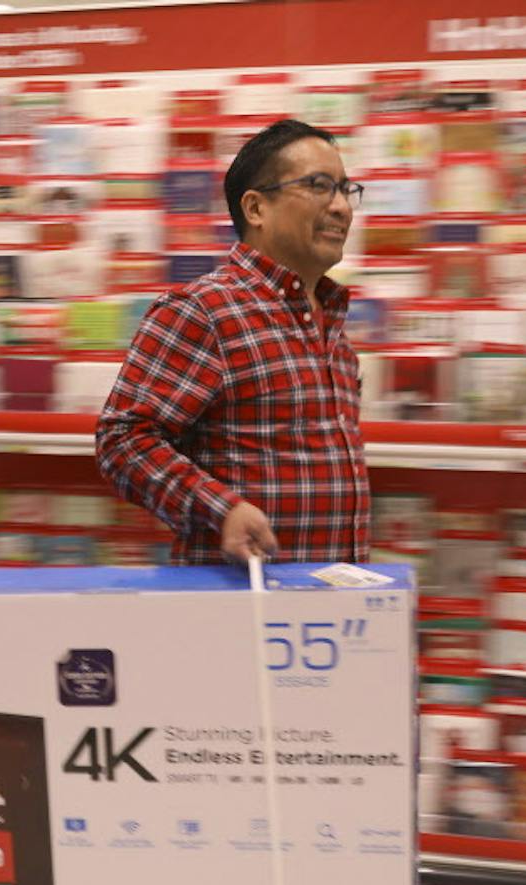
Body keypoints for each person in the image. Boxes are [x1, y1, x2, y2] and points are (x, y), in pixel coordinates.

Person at [96, 118, 370, 565]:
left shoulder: (331, 327)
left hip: (328, 613)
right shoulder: (203, 311)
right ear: (256, 208)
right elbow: (122, 441)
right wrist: (221, 509)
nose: (341, 207)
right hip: (240, 605)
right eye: (320, 186)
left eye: (345, 189)